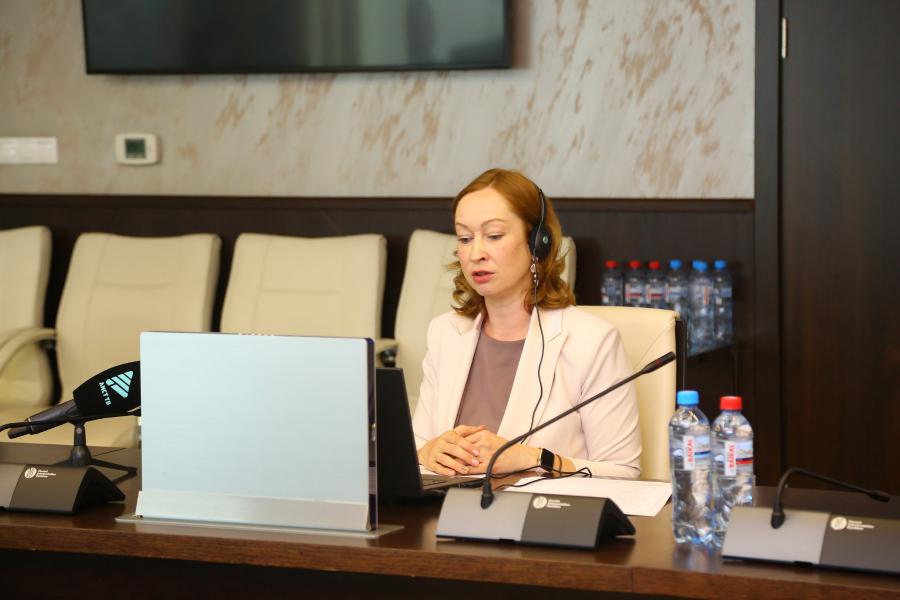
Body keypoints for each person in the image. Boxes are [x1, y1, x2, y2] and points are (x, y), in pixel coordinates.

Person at [412, 168, 641, 479]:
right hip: (447, 507)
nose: (476, 253)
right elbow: (418, 447)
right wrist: (427, 452)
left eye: (494, 236)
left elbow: (623, 473)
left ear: (537, 243)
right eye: (465, 238)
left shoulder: (593, 342)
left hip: (542, 510)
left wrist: (532, 459)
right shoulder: (445, 332)